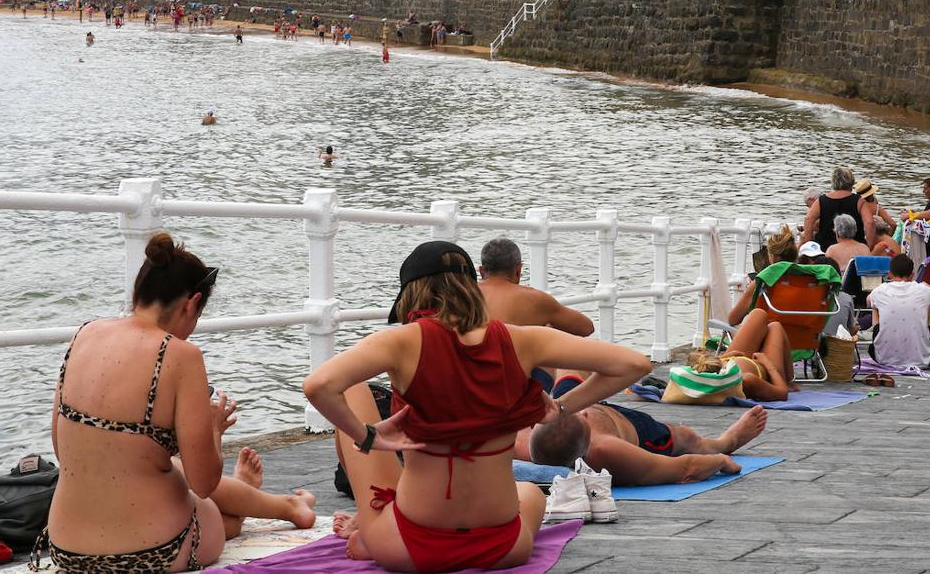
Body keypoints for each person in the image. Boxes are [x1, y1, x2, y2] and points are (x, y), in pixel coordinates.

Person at [302, 241, 652, 572]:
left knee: (354, 388)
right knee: (529, 492)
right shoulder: (522, 338)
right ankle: (378, 526)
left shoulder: (401, 341)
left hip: (410, 548)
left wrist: (368, 436)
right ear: (473, 287)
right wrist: (559, 406)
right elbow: (633, 364)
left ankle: (372, 528)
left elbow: (319, 386)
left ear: (411, 295)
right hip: (504, 547)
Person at [35, 234, 315, 573]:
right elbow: (204, 484)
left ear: (138, 294)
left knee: (167, 468)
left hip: (67, 548)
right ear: (191, 303)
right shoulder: (179, 354)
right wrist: (213, 431)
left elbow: (63, 450)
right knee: (222, 515)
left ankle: (264, 498)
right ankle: (283, 506)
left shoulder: (84, 334)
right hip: (152, 552)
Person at [517, 369, 764, 485]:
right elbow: (684, 468)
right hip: (631, 428)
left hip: (566, 404)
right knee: (685, 437)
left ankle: (562, 400)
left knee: (568, 363)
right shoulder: (609, 450)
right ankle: (726, 441)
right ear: (585, 417)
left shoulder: (522, 441)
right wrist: (720, 459)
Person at [478, 238, 594, 339]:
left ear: (481, 271)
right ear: (518, 270)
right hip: (513, 362)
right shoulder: (534, 299)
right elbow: (586, 328)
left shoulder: (465, 293)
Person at [696, 308, 795, 402]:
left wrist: (725, 357)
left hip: (734, 359)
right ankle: (790, 383)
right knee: (775, 326)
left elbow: (705, 365)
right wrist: (767, 364)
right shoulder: (746, 379)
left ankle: (791, 382)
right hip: (765, 370)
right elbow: (782, 394)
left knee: (759, 313)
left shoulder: (704, 369)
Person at [868, 254, 930, 368]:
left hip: (882, 357)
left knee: (874, 305)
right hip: (924, 359)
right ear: (912, 275)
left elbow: (868, 301)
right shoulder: (924, 290)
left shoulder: (880, 290)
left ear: (889, 273)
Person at [728, 225, 799, 326]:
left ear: (772, 257)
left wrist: (749, 290)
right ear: (795, 255)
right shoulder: (810, 281)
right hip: (805, 339)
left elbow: (732, 319)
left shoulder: (762, 281)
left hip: (768, 336)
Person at [801, 167, 874, 251]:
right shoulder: (859, 201)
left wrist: (809, 244)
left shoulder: (821, 201)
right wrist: (868, 247)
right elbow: (869, 223)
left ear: (833, 182)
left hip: (825, 248)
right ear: (851, 182)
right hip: (854, 247)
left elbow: (808, 219)